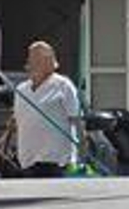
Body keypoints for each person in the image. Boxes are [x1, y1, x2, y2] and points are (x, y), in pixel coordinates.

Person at [12, 41, 83, 178]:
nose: (36, 62)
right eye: (33, 58)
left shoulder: (63, 86)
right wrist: (6, 145)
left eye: (44, 58)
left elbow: (77, 120)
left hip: (56, 162)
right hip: (27, 161)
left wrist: (82, 154)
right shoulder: (21, 89)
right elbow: (16, 121)